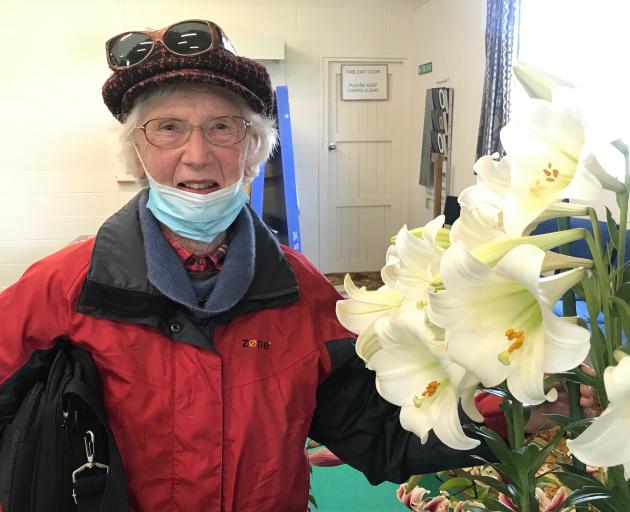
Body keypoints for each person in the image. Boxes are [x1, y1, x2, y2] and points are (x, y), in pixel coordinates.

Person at [0, 19, 595, 512]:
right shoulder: (65, 287)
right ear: (137, 150)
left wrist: (535, 408)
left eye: (223, 128)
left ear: (254, 149)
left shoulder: (301, 290)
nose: (198, 152)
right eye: (168, 128)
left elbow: (380, 429)